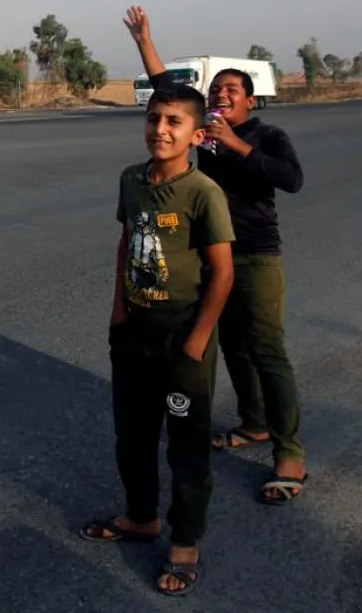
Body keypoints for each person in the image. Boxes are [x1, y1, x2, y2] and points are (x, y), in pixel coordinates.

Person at [123, 6, 309, 506]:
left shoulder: (266, 136)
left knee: (267, 349)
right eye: (217, 90)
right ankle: (254, 424)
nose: (221, 95)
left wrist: (237, 147)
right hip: (209, 257)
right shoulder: (201, 131)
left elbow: (291, 180)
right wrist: (145, 41)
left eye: (231, 90)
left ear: (250, 99)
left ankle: (290, 451)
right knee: (231, 348)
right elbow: (167, 89)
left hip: (255, 256)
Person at [77, 82, 236, 598]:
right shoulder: (131, 180)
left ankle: (185, 542)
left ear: (195, 133)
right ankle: (141, 517)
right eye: (153, 118)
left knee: (187, 448)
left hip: (181, 342)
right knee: (134, 435)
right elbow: (127, 242)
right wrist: (119, 310)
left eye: (173, 122)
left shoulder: (202, 193)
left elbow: (222, 273)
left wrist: (197, 343)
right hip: (134, 338)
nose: (160, 130)